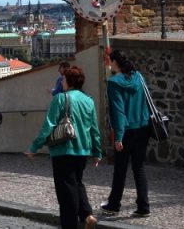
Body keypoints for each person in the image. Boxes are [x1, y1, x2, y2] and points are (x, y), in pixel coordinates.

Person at [26, 65, 101, 229]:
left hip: (63, 150)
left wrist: (35, 146)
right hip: (82, 150)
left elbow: (49, 126)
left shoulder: (60, 98)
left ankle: (70, 225)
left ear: (70, 81)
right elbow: (94, 128)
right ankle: (87, 215)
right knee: (77, 183)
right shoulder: (88, 100)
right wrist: (97, 152)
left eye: (64, 79)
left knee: (66, 193)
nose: (62, 82)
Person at [101, 50, 152, 218]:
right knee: (139, 167)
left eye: (110, 60)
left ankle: (114, 205)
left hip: (126, 130)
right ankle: (144, 206)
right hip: (143, 127)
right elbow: (146, 101)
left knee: (120, 169)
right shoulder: (139, 77)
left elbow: (119, 111)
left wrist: (119, 137)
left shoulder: (114, 83)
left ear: (115, 62)